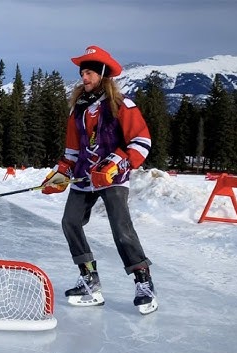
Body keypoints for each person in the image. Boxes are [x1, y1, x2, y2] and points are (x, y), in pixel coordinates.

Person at [40, 45, 157, 315]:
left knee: (121, 227)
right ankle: (89, 279)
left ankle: (143, 281)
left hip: (112, 176)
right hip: (84, 176)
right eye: (83, 73)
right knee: (70, 221)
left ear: (103, 74)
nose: (84, 78)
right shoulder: (77, 110)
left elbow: (141, 141)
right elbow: (71, 151)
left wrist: (118, 163)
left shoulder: (122, 105)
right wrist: (59, 175)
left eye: (90, 73)